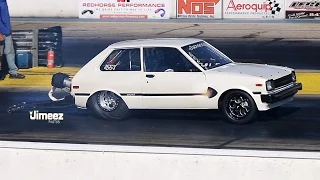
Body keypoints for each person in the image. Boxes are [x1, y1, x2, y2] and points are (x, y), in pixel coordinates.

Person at [0, 0, 25, 79]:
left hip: (6, 30)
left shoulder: (3, 2)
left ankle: (13, 72)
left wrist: (8, 30)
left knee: (10, 51)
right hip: (1, 30)